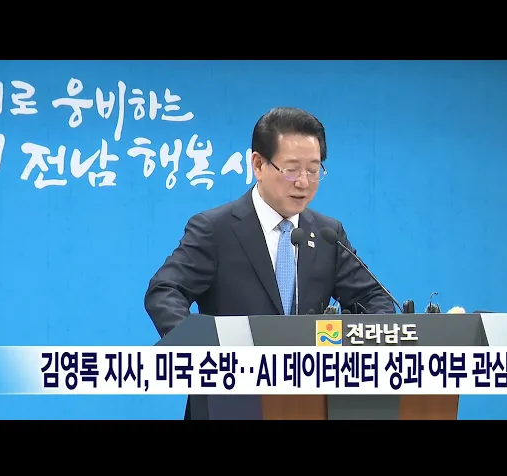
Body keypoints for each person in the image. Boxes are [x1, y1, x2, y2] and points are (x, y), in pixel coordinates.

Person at [144, 107, 396, 418]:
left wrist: (361, 352)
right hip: (230, 401)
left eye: (313, 170)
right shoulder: (215, 229)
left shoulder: (328, 233)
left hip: (309, 403)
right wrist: (201, 349)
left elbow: (373, 298)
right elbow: (165, 290)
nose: (303, 182)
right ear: (258, 165)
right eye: (291, 169)